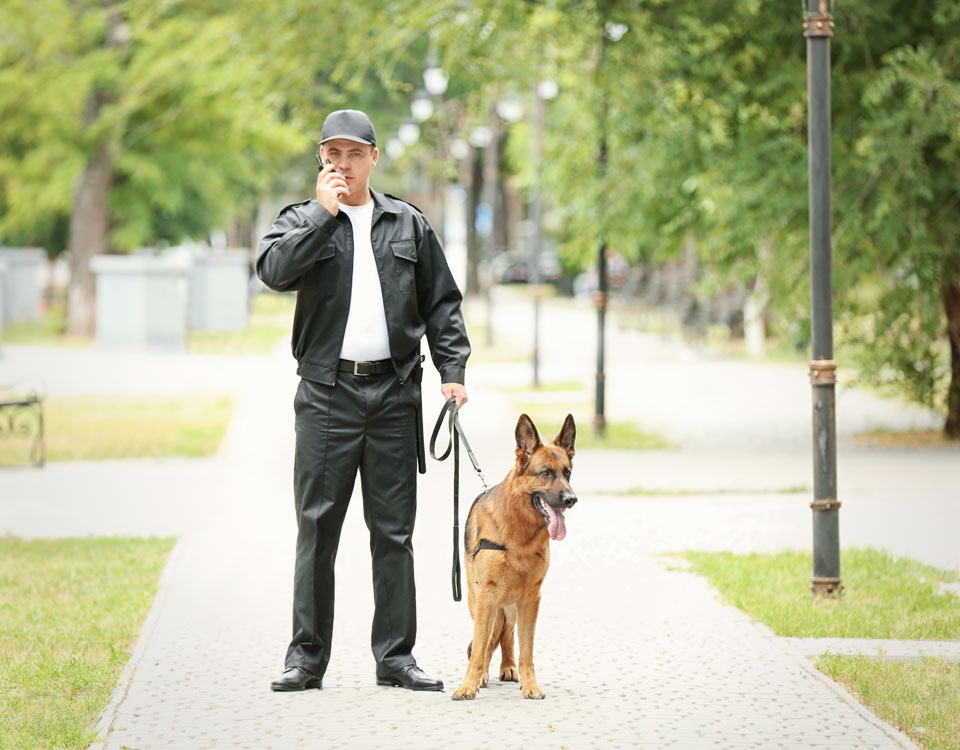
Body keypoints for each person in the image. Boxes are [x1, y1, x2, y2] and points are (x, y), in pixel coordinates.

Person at [257, 109, 470, 692]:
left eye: (354, 154)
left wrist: (452, 370)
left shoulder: (408, 224)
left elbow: (441, 304)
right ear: (321, 160)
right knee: (317, 528)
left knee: (394, 532)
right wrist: (325, 217)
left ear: (373, 158)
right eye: (333, 154)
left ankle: (396, 657)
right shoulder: (300, 220)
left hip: (396, 394)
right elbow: (273, 273)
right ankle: (306, 658)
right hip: (327, 395)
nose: (343, 164)